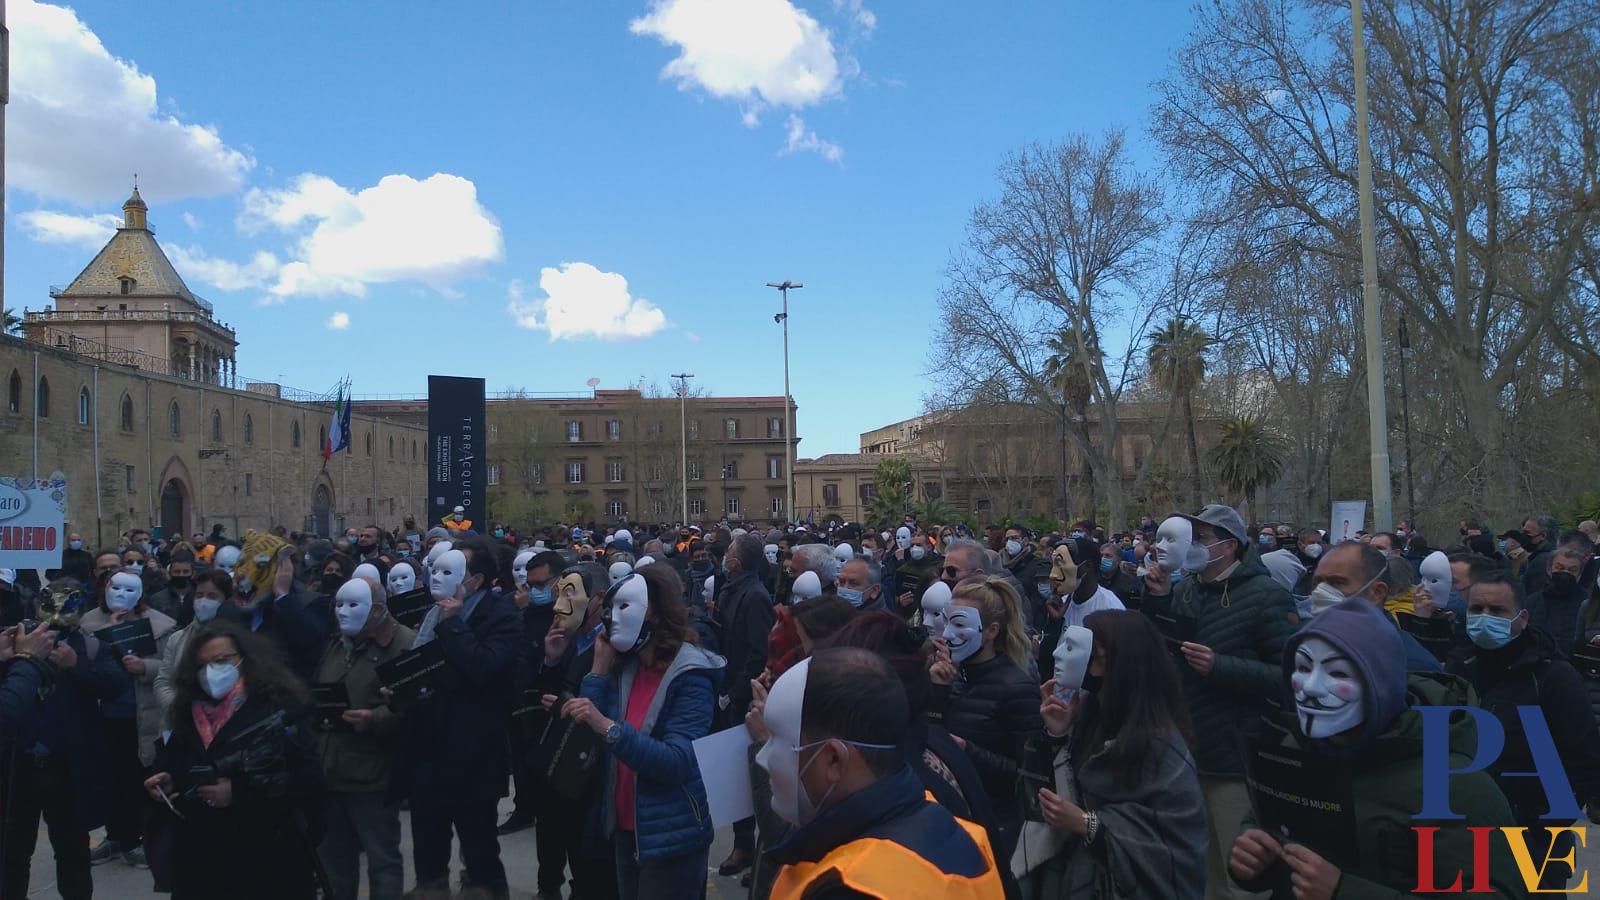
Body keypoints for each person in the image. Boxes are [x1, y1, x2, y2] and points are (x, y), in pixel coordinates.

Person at [1229, 598, 1527, 897]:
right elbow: (1265, 824)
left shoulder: (1456, 784)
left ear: (1379, 685)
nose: (1310, 687)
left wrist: (1344, 892)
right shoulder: (1296, 747)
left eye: (1337, 674)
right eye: (1303, 667)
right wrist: (1253, 858)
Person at [758, 647, 1006, 899]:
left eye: (775, 740)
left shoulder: (851, 888)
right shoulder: (946, 823)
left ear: (833, 758)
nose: (761, 758)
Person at [1139, 504, 1296, 900]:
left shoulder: (1266, 597)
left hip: (1237, 757)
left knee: (1238, 871)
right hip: (1192, 749)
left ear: (1228, 546)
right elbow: (1167, 649)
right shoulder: (1188, 589)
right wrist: (1158, 600)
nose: (1192, 546)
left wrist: (1221, 666)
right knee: (1202, 866)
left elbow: (1289, 678)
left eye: (1201, 539)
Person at [1015, 611, 1206, 899]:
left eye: (1073, 647)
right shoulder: (1088, 718)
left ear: (1114, 660)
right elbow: (1050, 794)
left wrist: (1087, 824)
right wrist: (1057, 735)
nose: (1055, 653)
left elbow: (1171, 851)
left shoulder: (1162, 749)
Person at [562, 564, 725, 900]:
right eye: (610, 609)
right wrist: (598, 668)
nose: (613, 619)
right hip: (625, 827)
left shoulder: (691, 675)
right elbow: (590, 730)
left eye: (626, 607)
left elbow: (676, 761)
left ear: (657, 611)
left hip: (670, 835)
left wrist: (608, 727)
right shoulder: (628, 665)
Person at [143, 621, 322, 900]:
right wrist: (166, 779)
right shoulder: (188, 711)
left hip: (265, 854)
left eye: (221, 660)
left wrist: (240, 793)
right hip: (202, 856)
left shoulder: (279, 708)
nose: (212, 671)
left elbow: (307, 778)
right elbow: (176, 760)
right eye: (203, 664)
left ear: (244, 660)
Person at [1446, 571, 1600, 889]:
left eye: (1497, 611)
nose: (1485, 618)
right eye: (1477, 610)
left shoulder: (1553, 676)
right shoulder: (1457, 670)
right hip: (1462, 838)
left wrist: (1544, 819)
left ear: (1522, 617)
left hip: (1534, 839)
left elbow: (1583, 756)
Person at [393, 540, 524, 899]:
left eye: (450, 571)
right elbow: (421, 664)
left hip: (474, 756)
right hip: (428, 753)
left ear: (476, 579)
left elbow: (484, 667)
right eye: (434, 569)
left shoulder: (501, 615)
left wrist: (453, 625)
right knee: (429, 854)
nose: (437, 577)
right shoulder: (432, 612)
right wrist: (399, 686)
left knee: (480, 853)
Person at [2, 579, 118, 900]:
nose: (56, 612)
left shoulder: (92, 645)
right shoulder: (19, 642)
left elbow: (114, 686)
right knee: (12, 853)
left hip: (68, 768)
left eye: (67, 604)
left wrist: (77, 666)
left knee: (73, 853)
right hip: (19, 766)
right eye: (49, 602)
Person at [315, 575, 414, 900]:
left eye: (353, 605)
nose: (343, 612)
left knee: (381, 860)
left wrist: (376, 719)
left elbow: (416, 703)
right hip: (332, 769)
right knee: (335, 862)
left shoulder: (402, 644)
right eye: (338, 605)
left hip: (373, 774)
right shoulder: (335, 644)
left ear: (377, 610)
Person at [937, 575, 1044, 863]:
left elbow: (1030, 774)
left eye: (959, 624)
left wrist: (967, 750)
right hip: (953, 816)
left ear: (991, 631)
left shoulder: (1017, 689)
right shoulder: (955, 676)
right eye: (947, 622)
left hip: (994, 826)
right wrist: (935, 691)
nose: (947, 634)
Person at [78, 569, 178, 870]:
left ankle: (141, 841)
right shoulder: (88, 624)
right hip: (105, 715)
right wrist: (108, 633)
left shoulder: (162, 627)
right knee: (109, 779)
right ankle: (116, 837)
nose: (121, 596)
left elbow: (173, 667)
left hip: (142, 715)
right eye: (115, 588)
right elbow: (83, 663)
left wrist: (144, 666)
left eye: (128, 590)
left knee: (140, 779)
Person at [531, 562, 619, 900]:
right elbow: (540, 696)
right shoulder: (566, 638)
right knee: (552, 835)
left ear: (597, 598)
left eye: (569, 595)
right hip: (556, 764)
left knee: (588, 857)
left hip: (590, 768)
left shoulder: (613, 644)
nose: (557, 606)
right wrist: (551, 661)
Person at [710, 534, 777, 877]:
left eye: (729, 555)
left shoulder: (754, 596)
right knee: (734, 772)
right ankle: (743, 843)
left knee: (754, 772)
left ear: (737, 562)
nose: (724, 558)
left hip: (742, 696)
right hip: (729, 689)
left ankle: (758, 847)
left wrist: (735, 692)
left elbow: (757, 650)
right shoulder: (733, 588)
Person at [1528, 548, 1586, 652]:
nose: (1565, 573)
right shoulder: (1533, 600)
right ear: (1549, 569)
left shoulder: (1588, 605)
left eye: (1572, 570)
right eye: (1559, 568)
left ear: (1580, 574)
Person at [147, 549, 199, 627]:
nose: (181, 575)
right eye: (177, 572)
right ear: (170, 573)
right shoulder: (156, 599)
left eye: (186, 572)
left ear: (193, 574)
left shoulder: (199, 597)